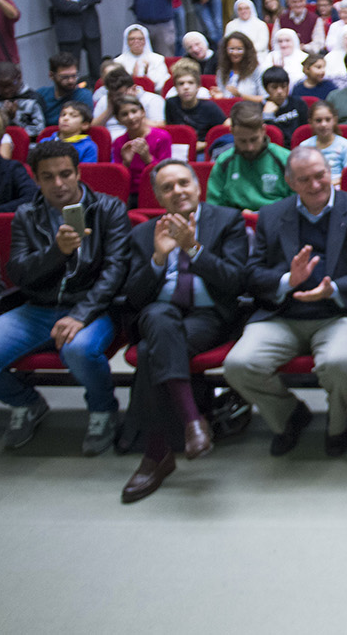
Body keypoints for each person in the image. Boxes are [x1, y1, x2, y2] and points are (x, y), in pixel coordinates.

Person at [0, 142, 130, 454]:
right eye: (48, 177)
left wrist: (80, 314)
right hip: (37, 308)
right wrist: (57, 252)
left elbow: (116, 270)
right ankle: (27, 403)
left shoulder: (109, 208)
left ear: (78, 173)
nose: (58, 183)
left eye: (65, 174)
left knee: (79, 350)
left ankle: (103, 410)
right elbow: (19, 272)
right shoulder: (26, 214)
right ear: (36, 180)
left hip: (93, 308)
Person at [224, 147, 347, 456]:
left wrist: (333, 289)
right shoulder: (271, 215)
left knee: (339, 363)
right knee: (238, 365)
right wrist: (288, 281)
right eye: (304, 179)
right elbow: (252, 273)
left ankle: (337, 425)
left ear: (330, 173)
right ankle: (289, 415)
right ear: (290, 182)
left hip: (339, 313)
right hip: (282, 314)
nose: (315, 185)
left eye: (320, 175)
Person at [118, 160, 248, 502]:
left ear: (197, 186)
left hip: (209, 316)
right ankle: (192, 423)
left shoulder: (227, 221)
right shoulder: (144, 233)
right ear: (158, 196)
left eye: (183, 183)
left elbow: (236, 282)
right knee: (158, 316)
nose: (177, 191)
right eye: (167, 187)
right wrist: (158, 259)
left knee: (152, 352)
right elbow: (133, 297)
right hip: (159, 313)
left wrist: (193, 248)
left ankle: (156, 453)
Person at [205, 102, 292, 211]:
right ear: (232, 132)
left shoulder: (286, 159)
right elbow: (214, 207)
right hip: (234, 219)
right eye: (242, 141)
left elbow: (297, 203)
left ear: (263, 130)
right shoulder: (223, 162)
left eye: (254, 139)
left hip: (277, 218)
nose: (249, 147)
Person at [112, 96, 173, 205]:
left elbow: (166, 171)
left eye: (134, 111)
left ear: (143, 112)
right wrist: (126, 163)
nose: (131, 117)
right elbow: (117, 178)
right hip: (130, 193)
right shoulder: (119, 142)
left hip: (157, 189)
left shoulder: (162, 137)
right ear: (118, 119)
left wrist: (148, 158)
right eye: (124, 114)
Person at [164, 59, 226, 141]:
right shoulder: (171, 104)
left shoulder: (210, 107)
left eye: (191, 83)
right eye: (181, 83)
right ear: (175, 87)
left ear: (198, 86)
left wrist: (204, 144)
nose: (186, 87)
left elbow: (223, 132)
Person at [299, 100, 347, 186]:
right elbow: (300, 174)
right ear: (311, 123)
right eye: (318, 120)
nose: (323, 124)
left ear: (334, 120)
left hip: (338, 187)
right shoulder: (304, 146)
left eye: (328, 120)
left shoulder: (345, 145)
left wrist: (330, 184)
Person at [36, 53, 93, 127]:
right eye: (65, 77)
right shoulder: (42, 94)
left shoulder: (83, 95)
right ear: (51, 75)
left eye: (74, 76)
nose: (71, 81)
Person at [116, 23, 171, 93]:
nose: (136, 42)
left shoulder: (158, 59)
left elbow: (163, 82)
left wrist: (147, 75)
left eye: (140, 39)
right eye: (132, 39)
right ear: (127, 41)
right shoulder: (118, 62)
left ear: (145, 41)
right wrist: (133, 77)